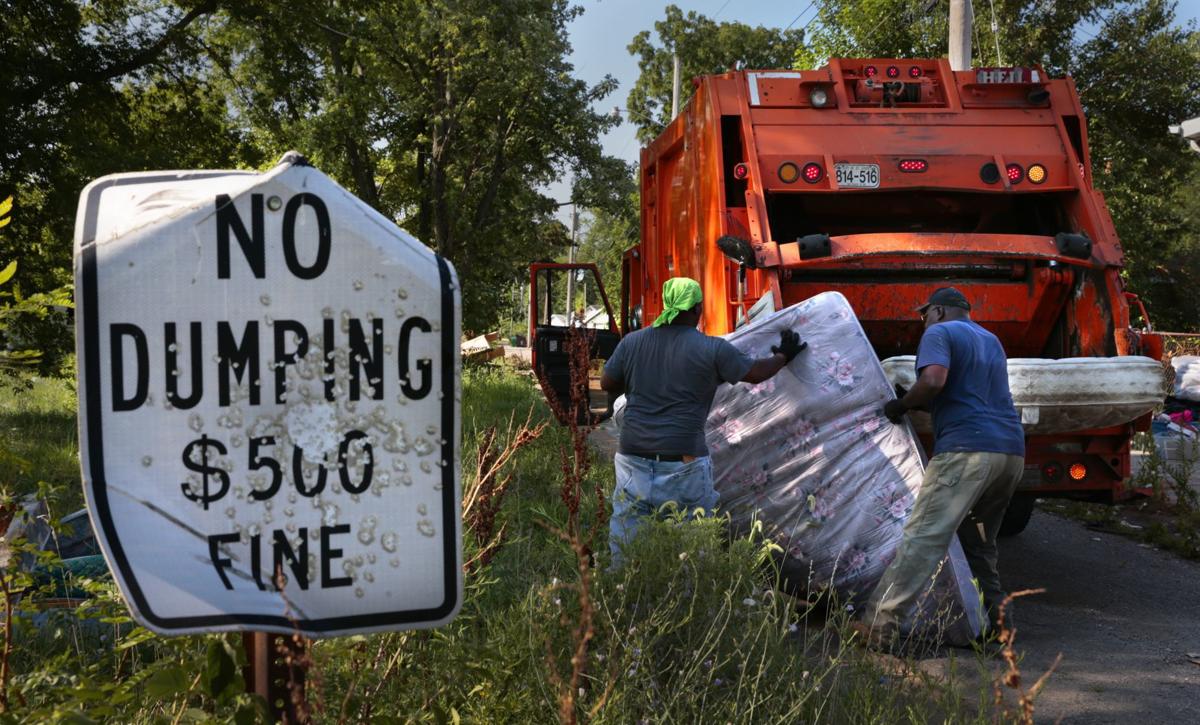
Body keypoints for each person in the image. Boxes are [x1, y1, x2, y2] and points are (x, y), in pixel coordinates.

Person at [855, 286, 1025, 647]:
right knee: (979, 544)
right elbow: (969, 398)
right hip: (1009, 453)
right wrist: (919, 402)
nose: (923, 322)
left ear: (939, 311)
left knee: (923, 538)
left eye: (924, 314)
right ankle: (1000, 625)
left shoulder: (939, 332)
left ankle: (879, 626)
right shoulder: (991, 340)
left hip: (966, 453)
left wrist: (900, 405)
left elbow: (933, 380)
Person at [600, 277, 805, 559]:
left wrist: (643, 378)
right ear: (697, 310)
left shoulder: (632, 343)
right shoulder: (712, 349)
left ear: (666, 305)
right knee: (691, 549)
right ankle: (686, 598)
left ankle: (621, 593)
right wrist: (784, 355)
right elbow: (756, 373)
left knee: (627, 541)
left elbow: (607, 383)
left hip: (633, 458)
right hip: (683, 463)